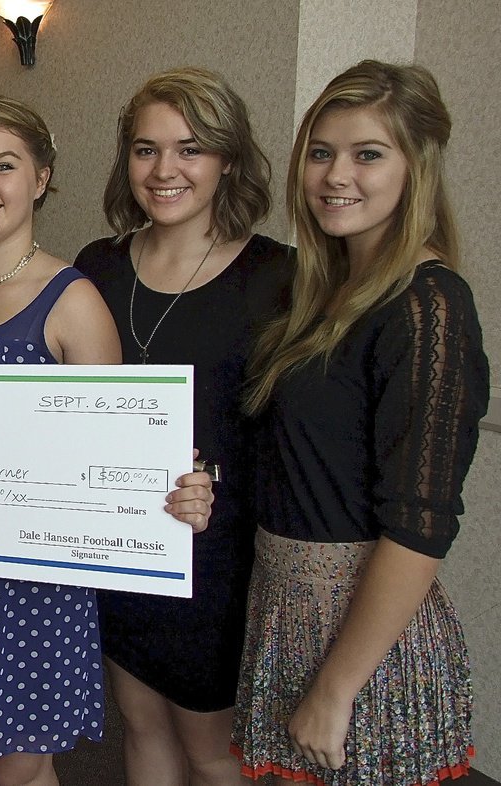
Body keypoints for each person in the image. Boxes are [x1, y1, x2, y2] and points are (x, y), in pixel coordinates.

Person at [0, 95, 212, 786]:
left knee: (23, 775)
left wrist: (175, 489)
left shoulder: (72, 299)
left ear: (40, 178)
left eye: (4, 166)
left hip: (31, 587)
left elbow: (118, 455)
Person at [234, 60, 488, 785]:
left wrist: (335, 688)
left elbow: (420, 524)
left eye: (366, 154)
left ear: (417, 167)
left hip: (361, 644)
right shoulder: (321, 293)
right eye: (321, 152)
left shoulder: (430, 305)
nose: (335, 175)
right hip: (286, 615)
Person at [73, 68, 288, 785]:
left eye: (189, 148)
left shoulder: (278, 276)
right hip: (123, 544)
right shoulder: (97, 268)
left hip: (219, 559)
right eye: (145, 149)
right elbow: (67, 409)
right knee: (141, 728)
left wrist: (215, 486)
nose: (164, 170)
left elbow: (292, 435)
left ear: (227, 158)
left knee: (213, 753)